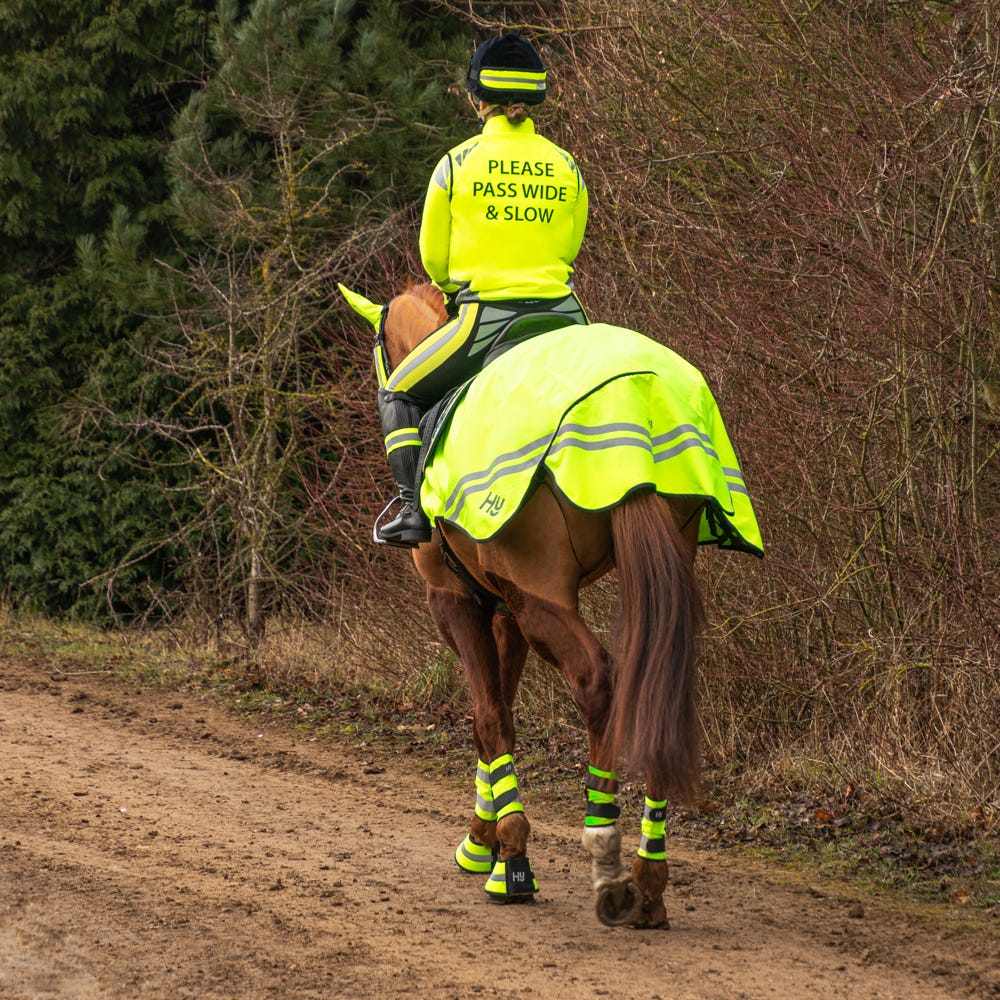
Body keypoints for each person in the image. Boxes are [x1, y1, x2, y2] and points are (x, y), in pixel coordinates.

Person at [375, 32, 590, 547]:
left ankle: (411, 511)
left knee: (398, 390)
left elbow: (434, 261)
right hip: (568, 317)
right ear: (534, 97)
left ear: (478, 99)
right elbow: (570, 247)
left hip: (488, 321)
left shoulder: (455, 163)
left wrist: (455, 285)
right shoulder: (568, 166)